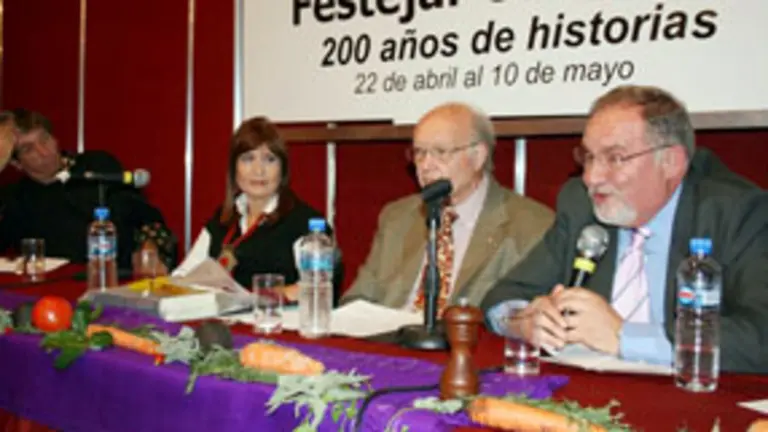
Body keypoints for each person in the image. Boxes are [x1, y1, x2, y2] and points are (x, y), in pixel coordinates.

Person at [481, 85, 768, 373]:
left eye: (615, 158)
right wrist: (523, 321)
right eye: (589, 157)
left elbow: (760, 336)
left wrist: (623, 336)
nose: (592, 177)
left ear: (670, 162)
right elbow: (502, 296)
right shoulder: (582, 205)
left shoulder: (736, 212)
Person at [341, 102, 554, 312]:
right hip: (388, 341)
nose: (425, 165)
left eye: (440, 152)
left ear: (477, 156)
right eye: (419, 153)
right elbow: (357, 300)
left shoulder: (531, 227)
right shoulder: (398, 217)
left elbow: (522, 317)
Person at [173, 116, 343, 305]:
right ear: (234, 168)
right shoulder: (222, 219)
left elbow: (319, 287)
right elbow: (183, 277)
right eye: (248, 159)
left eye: (269, 160)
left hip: (279, 327)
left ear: (283, 169)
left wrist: (272, 295)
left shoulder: (306, 225)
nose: (258, 171)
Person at [0, 109, 175, 271]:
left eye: (45, 139)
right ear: (16, 163)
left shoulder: (97, 167)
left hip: (117, 282)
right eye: (28, 149)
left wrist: (150, 248)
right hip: (53, 291)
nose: (44, 152)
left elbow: (150, 222)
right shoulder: (14, 198)